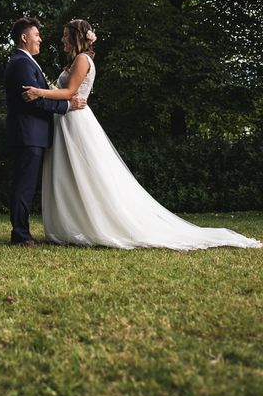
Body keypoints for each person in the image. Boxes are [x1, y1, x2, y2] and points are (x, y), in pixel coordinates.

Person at [21, 19, 262, 250]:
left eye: (65, 35)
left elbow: (69, 91)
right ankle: (72, 223)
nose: (61, 39)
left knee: (87, 174)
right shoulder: (76, 60)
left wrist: (39, 92)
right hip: (67, 120)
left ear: (75, 37)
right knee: (69, 175)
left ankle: (93, 223)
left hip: (75, 120)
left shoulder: (83, 59)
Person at [5, 17, 87, 247]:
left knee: (27, 184)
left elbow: (39, 96)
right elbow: (32, 102)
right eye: (36, 35)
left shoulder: (27, 61)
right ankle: (20, 235)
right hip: (27, 134)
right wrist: (67, 106)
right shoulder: (21, 63)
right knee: (24, 185)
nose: (40, 39)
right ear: (24, 37)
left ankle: (22, 231)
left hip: (33, 134)